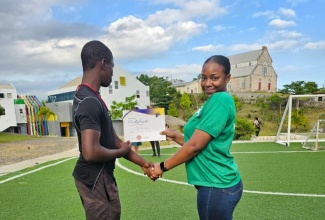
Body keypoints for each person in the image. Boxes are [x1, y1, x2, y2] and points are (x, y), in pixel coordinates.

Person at [151, 55, 243, 220]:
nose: (207, 83)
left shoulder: (220, 99)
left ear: (227, 78)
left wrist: (162, 166)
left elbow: (195, 146)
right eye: (203, 77)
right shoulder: (212, 101)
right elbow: (201, 144)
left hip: (216, 185)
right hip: (218, 183)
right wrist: (175, 136)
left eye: (214, 78)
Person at [72, 40, 154, 220]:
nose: (112, 72)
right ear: (103, 64)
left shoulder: (86, 96)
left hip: (95, 176)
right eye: (112, 66)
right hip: (96, 178)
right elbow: (90, 152)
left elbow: (115, 141)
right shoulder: (90, 102)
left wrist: (143, 163)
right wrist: (120, 152)